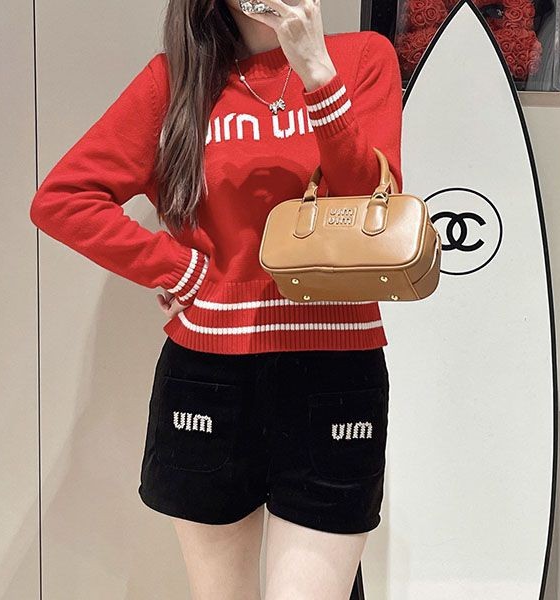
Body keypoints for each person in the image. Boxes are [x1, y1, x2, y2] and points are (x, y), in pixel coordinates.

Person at [29, 0, 403, 598]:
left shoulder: (361, 58)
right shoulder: (175, 81)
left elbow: (371, 202)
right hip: (209, 376)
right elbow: (63, 199)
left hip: (335, 369)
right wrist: (179, 269)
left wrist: (316, 72)